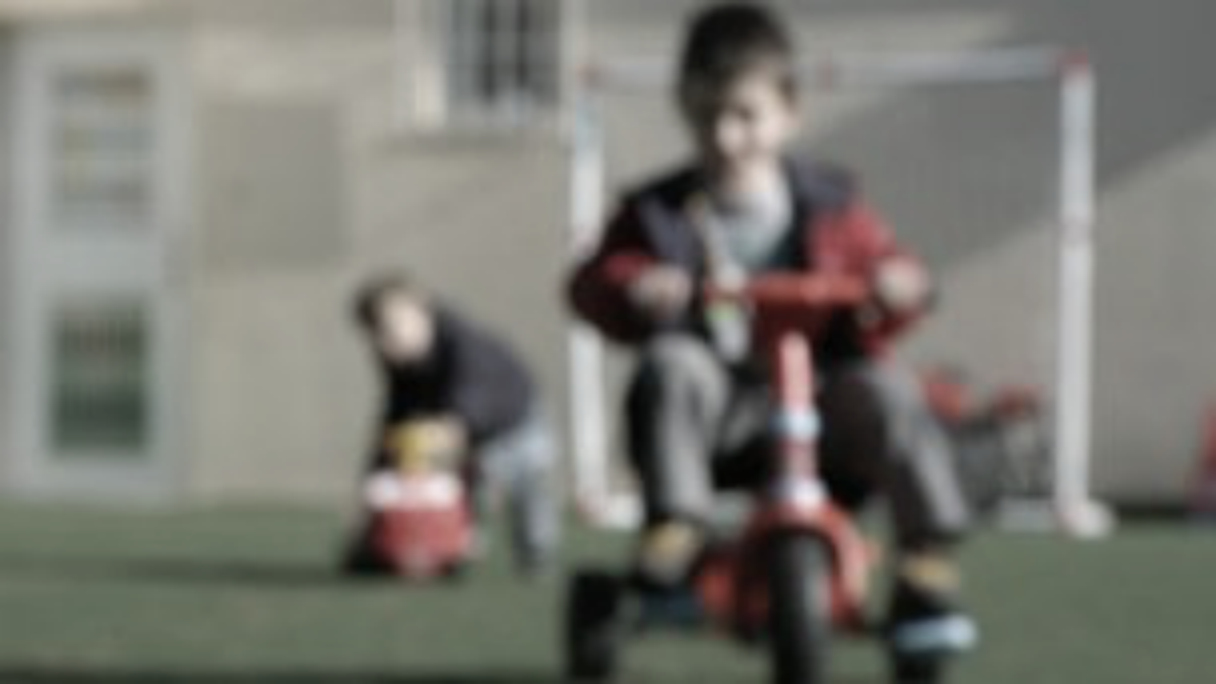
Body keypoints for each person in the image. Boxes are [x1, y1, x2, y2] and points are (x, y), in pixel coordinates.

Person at [566, 1, 975, 674]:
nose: (727, 137)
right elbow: (594, 283)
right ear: (687, 111)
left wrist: (899, 283)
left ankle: (926, 556)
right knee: (672, 363)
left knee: (886, 389)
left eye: (746, 116)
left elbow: (887, 268)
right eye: (708, 118)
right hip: (723, 415)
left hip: (822, 403)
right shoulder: (658, 212)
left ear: (789, 112)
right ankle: (677, 527)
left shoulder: (834, 202)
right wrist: (637, 285)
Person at [346, 271, 559, 576]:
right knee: (453, 480)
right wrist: (376, 479)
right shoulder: (401, 365)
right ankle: (443, 547)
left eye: (390, 328)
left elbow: (470, 400)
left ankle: (536, 555)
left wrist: (444, 434)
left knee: (524, 485)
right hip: (457, 431)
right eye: (374, 333)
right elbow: (395, 420)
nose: (383, 342)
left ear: (421, 312)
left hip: (514, 420)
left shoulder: (463, 345)